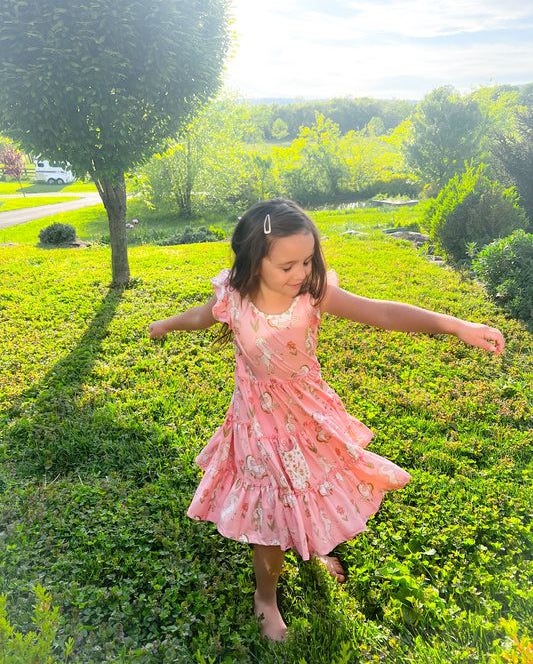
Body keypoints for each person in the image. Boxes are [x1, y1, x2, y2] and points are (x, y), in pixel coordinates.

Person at [149, 198, 505, 641]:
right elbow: (202, 317)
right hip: (257, 424)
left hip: (308, 419)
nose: (300, 273)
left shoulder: (313, 294)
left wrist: (456, 325)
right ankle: (265, 596)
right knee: (271, 505)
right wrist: (165, 325)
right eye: (287, 266)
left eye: (307, 259)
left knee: (309, 489)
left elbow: (384, 312)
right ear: (254, 261)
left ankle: (311, 547)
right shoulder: (234, 296)